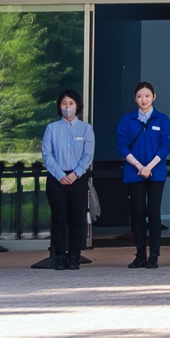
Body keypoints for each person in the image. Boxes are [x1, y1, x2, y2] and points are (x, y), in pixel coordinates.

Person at [115, 82, 170, 268]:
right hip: (135, 172)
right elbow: (121, 145)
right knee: (138, 214)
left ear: (154, 97)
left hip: (155, 172)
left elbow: (166, 146)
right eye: (140, 96)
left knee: (154, 214)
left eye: (147, 96)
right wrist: (139, 166)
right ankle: (140, 254)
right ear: (135, 98)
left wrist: (149, 166)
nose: (144, 100)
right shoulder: (127, 120)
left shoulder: (162, 119)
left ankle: (154, 255)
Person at [37, 90, 96, 269]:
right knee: (59, 218)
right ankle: (60, 256)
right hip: (57, 179)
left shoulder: (86, 128)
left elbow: (88, 155)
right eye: (64, 104)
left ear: (77, 106)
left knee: (76, 219)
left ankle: (75, 256)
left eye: (71, 104)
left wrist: (75, 173)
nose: (67, 107)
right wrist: (60, 175)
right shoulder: (52, 129)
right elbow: (47, 155)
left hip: (78, 178)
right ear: (59, 106)